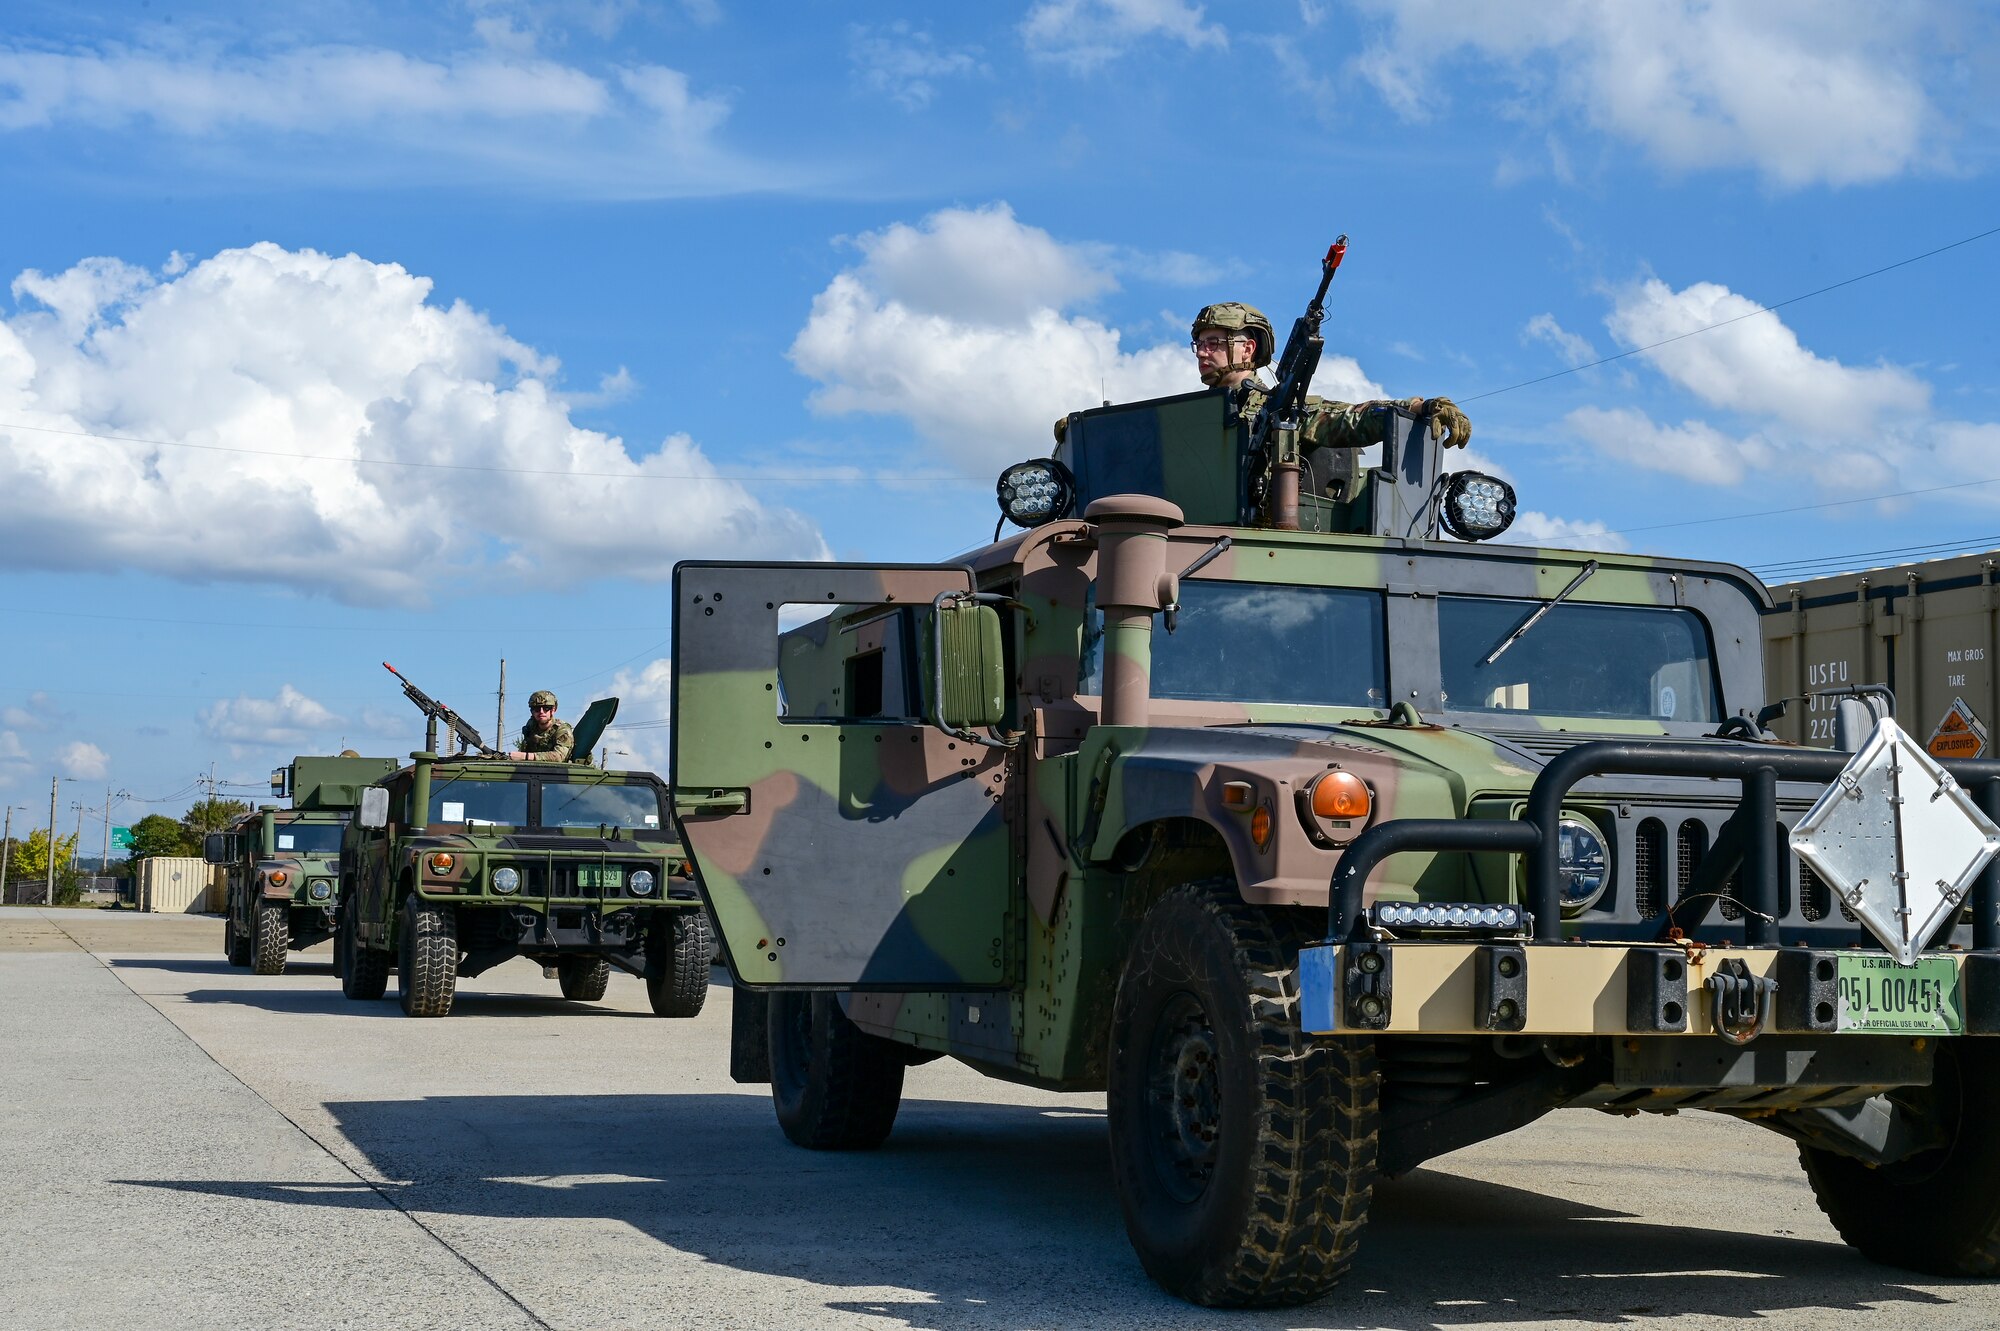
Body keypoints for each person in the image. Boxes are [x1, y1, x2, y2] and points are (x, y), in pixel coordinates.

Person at [1190, 302, 1471, 496]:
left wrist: (1418, 407)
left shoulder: (1277, 410)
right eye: (1199, 344)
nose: (1203, 353)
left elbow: (1352, 418)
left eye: (1213, 343)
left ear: (1247, 349)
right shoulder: (1186, 418)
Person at [509, 690, 574, 762]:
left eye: (546, 708)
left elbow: (559, 756)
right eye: (537, 709)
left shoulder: (562, 730)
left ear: (553, 710)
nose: (541, 712)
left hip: (557, 771)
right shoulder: (531, 726)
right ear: (532, 711)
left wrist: (526, 756)